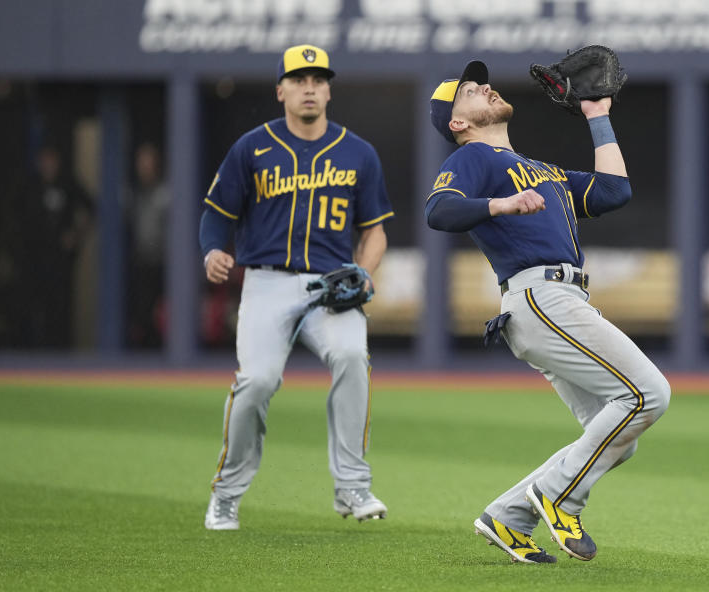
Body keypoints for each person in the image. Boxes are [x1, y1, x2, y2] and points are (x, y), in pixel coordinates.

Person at [425, 61, 671, 564]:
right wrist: (500, 205)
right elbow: (438, 210)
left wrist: (597, 115)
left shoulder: (541, 170)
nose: (486, 87)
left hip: (559, 301)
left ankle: (508, 515)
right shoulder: (474, 157)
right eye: (471, 91)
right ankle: (561, 495)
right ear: (457, 123)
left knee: (620, 436)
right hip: (540, 297)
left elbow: (612, 192)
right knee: (649, 394)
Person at [199, 44, 395, 530]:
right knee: (257, 382)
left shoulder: (358, 152)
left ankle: (352, 486)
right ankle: (226, 493)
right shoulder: (252, 147)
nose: (309, 87)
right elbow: (216, 213)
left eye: (318, 80)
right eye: (300, 79)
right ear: (281, 90)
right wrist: (211, 251)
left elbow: (374, 231)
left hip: (331, 288)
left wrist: (365, 272)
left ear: (328, 90)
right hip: (267, 283)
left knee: (352, 357)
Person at [18, 146, 94, 348]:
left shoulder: (67, 184)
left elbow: (92, 207)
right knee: (33, 305)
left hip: (60, 260)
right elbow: (17, 216)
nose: (48, 164)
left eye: (52, 160)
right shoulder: (31, 186)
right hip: (34, 258)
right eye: (45, 160)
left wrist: (76, 235)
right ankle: (32, 351)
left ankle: (60, 351)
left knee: (59, 307)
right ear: (39, 162)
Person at [127, 142, 169, 347]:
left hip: (162, 263)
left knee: (161, 314)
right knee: (140, 313)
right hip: (141, 261)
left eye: (147, 162)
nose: (144, 167)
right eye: (141, 163)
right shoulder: (133, 194)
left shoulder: (165, 193)